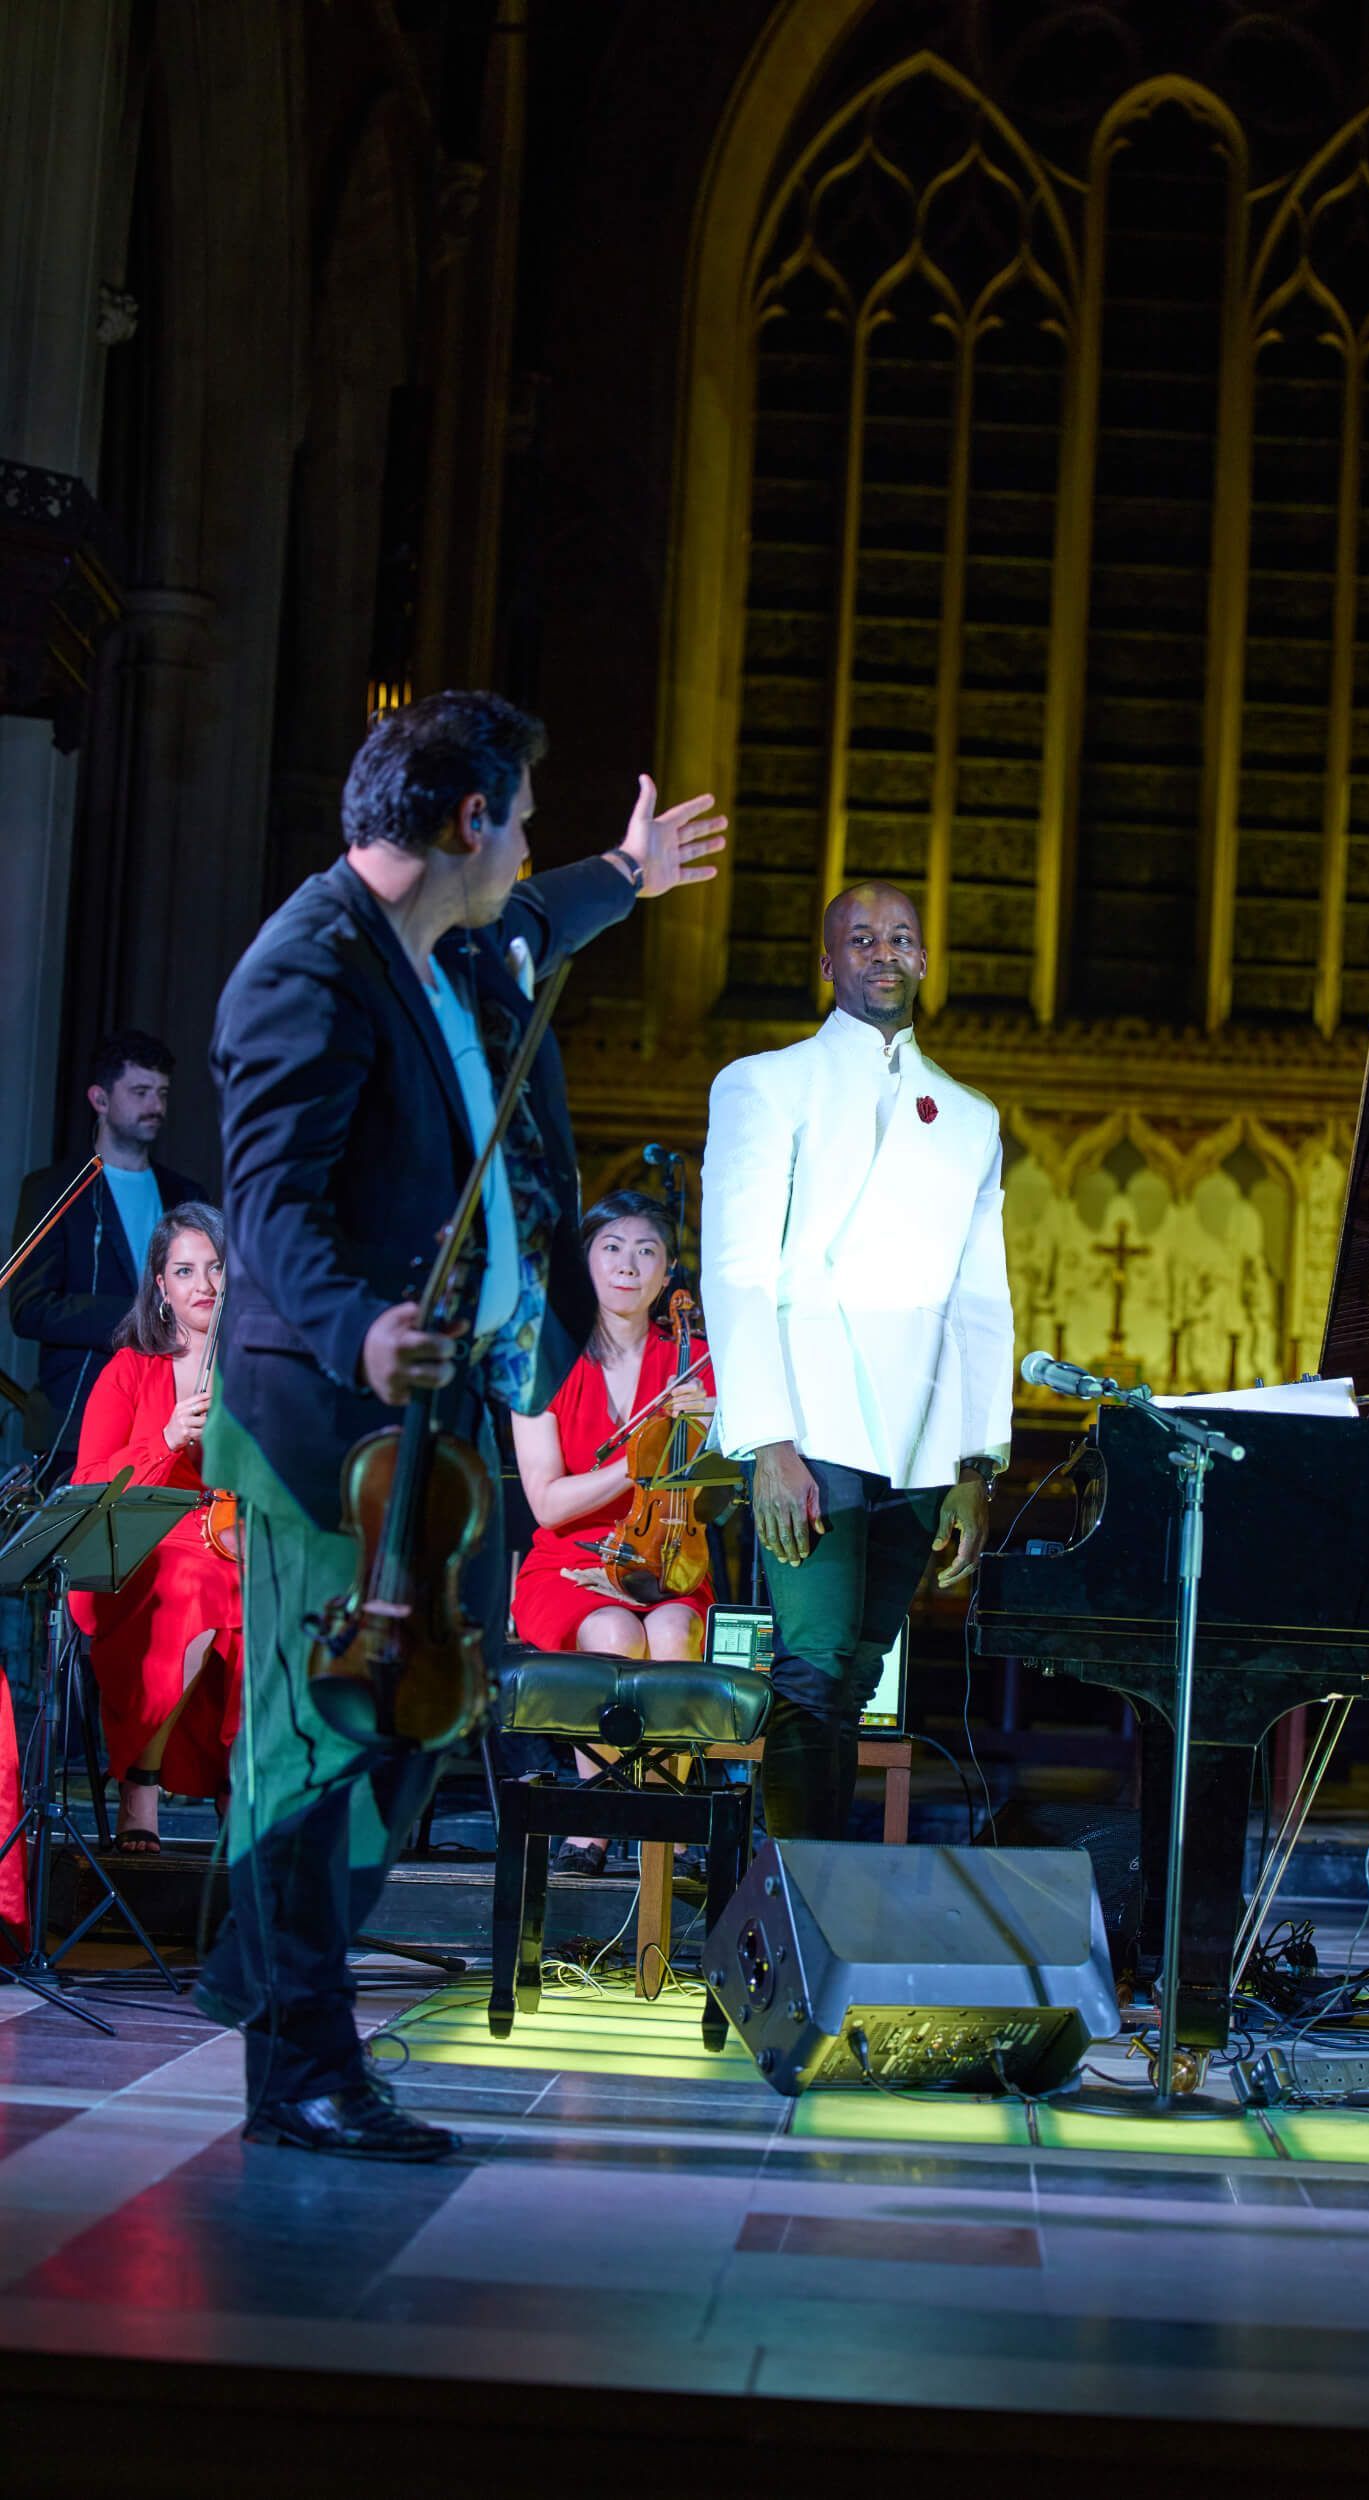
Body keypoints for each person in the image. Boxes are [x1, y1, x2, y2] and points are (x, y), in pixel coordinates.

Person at [197, 690, 724, 2161]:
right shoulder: (302, 973)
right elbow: (272, 1204)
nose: (526, 852)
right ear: (465, 821)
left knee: (424, 1711)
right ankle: (295, 2060)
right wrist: (360, 1324)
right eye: (521, 824)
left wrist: (620, 876)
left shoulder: (461, 940)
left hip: (448, 1414)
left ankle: (263, 1978)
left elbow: (534, 922)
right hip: (330, 1420)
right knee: (322, 1738)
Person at [700, 880, 1013, 1841]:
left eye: (903, 938)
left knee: (862, 1669)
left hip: (919, 1432)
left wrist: (973, 1465)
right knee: (816, 1658)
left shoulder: (967, 1117)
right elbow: (739, 1271)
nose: (885, 953)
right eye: (863, 938)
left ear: (923, 960)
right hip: (812, 1414)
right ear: (826, 962)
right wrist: (767, 1441)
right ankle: (786, 1906)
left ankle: (806, 1893)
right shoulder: (764, 1082)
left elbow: (979, 1300)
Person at [510, 1190, 715, 1874]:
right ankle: (596, 1819)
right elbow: (548, 1505)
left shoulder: (696, 1361)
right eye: (612, 1247)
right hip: (568, 1563)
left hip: (666, 1555)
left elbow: (718, 1495)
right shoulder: (543, 1359)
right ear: (586, 1262)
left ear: (668, 1275)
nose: (628, 1264)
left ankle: (670, 1826)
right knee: (615, 1636)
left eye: (647, 1251)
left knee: (673, 1634)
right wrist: (642, 1454)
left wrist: (715, 1428)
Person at [67, 1205, 243, 1852]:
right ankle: (141, 1784)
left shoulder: (258, 1370)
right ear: (160, 1287)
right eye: (185, 1270)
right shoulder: (130, 1369)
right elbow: (89, 1487)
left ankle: (242, 1787)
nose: (204, 1284)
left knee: (280, 1594)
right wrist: (166, 1440)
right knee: (193, 1584)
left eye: (217, 1267)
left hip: (235, 1539)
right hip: (137, 1544)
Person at [9, 1032, 205, 1464]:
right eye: (140, 1092)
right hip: (77, 1421)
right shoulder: (53, 1189)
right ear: (99, 1099)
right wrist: (143, 1319)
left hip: (172, 1419)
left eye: (162, 1093)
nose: (155, 1106)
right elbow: (31, 1307)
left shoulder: (186, 1193)